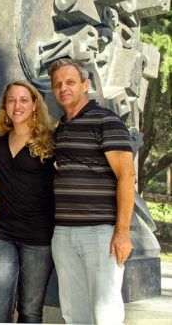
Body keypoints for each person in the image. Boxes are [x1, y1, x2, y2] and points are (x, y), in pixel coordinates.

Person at [49, 58, 135, 324]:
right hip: (63, 233)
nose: (64, 88)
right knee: (74, 314)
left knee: (105, 313)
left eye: (70, 82)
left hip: (100, 234)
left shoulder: (106, 122)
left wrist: (122, 232)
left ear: (86, 84)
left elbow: (127, 174)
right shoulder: (60, 127)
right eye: (58, 84)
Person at [0, 80, 55, 323]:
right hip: (3, 233)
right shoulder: (0, 139)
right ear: (5, 106)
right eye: (11, 100)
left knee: (30, 311)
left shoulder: (50, 141)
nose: (17, 106)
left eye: (24, 100)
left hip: (38, 238)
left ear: (35, 104)